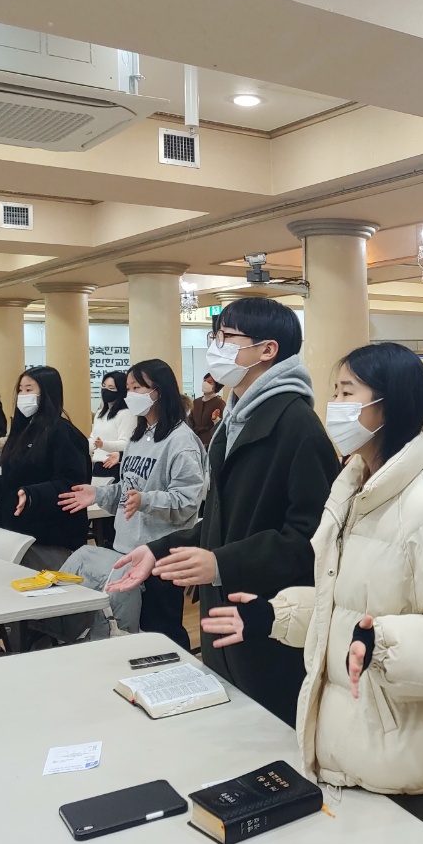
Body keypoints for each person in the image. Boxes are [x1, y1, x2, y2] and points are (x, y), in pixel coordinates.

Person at [201, 343, 423, 836]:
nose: (335, 406)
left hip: (406, 760)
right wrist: (274, 615)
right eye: (336, 392)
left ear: (390, 405)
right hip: (349, 745)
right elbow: (344, 605)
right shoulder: (352, 493)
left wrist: (382, 644)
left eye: (348, 393)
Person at [106, 298, 340, 725]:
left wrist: (222, 563)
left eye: (226, 337)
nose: (215, 347)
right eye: (215, 336)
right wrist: (160, 550)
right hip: (224, 615)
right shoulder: (235, 420)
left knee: (268, 736)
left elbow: (312, 539)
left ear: (267, 350)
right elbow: (221, 520)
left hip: (266, 618)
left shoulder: (297, 426)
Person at [56, 359, 208, 642]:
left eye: (137, 387)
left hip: (162, 553)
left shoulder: (181, 441)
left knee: (161, 632)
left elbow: (188, 501)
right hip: (126, 549)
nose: (130, 395)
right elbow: (129, 490)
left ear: (159, 391)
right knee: (133, 630)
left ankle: (177, 668)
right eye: (128, 388)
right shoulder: (139, 437)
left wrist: (146, 500)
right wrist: (99, 494)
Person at [0, 366, 91, 569]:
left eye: (29, 389)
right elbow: (10, 482)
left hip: (47, 536)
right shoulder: (22, 431)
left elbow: (71, 484)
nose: (23, 395)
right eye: (20, 390)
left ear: (47, 392)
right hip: (13, 530)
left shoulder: (62, 432)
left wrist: (32, 494)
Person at [88, 370, 137, 476]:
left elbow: (126, 443)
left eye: (111, 388)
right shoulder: (100, 413)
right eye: (104, 386)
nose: (106, 390)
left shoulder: (127, 413)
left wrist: (103, 445)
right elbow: (93, 439)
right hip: (97, 465)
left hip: (114, 465)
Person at [189, 372, 226, 446]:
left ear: (216, 386)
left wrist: (215, 419)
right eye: (204, 380)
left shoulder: (219, 403)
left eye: (209, 382)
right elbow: (190, 419)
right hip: (194, 439)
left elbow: (222, 425)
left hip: (210, 441)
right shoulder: (196, 402)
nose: (205, 383)